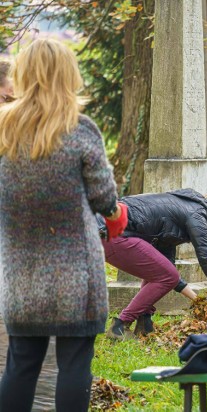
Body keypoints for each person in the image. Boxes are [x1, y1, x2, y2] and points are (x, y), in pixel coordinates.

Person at [0, 38, 128, 411]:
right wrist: (116, 218)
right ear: (68, 75)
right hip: (77, 275)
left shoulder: (4, 130)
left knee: (21, 365)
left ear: (22, 75)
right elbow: (106, 200)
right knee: (75, 366)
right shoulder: (79, 128)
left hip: (21, 273)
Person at [97, 189, 207, 340]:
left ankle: (144, 322)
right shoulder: (197, 213)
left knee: (161, 272)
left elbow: (166, 269)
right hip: (112, 232)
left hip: (108, 233)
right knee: (167, 275)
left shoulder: (179, 213)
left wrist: (197, 300)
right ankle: (120, 325)